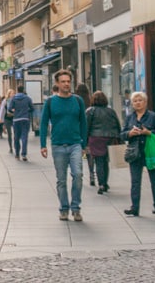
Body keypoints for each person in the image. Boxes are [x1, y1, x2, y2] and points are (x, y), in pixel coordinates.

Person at [40, 70, 88, 222]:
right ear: (57, 84)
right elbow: (43, 123)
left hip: (75, 144)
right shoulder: (50, 102)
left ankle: (76, 208)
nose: (66, 84)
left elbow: (84, 123)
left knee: (78, 175)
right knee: (61, 179)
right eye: (63, 82)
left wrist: (84, 144)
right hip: (58, 145)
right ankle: (64, 208)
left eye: (68, 81)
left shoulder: (78, 100)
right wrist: (43, 144)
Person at [121, 91, 155, 216]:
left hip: (150, 152)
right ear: (132, 104)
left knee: (154, 180)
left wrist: (148, 132)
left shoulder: (153, 116)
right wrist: (130, 133)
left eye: (140, 100)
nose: (137, 103)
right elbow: (122, 134)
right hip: (135, 153)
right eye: (135, 101)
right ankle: (135, 207)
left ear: (145, 102)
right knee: (135, 181)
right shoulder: (130, 117)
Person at [86, 90, 121, 195]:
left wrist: (85, 140)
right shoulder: (111, 111)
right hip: (109, 138)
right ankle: (105, 182)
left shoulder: (90, 111)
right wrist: (119, 138)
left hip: (95, 138)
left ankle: (101, 183)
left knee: (99, 161)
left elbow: (86, 126)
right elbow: (117, 124)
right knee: (106, 161)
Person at [74, 83, 95, 185]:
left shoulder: (76, 101)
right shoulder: (90, 100)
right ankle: (92, 175)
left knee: (79, 153)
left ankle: (80, 173)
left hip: (78, 131)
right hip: (89, 131)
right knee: (89, 153)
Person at [8, 85, 34, 161]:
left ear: (17, 90)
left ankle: (17, 154)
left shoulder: (13, 98)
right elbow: (32, 108)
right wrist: (27, 111)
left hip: (16, 119)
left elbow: (9, 109)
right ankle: (24, 154)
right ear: (23, 90)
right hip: (25, 119)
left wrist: (15, 111)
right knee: (24, 137)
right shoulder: (28, 98)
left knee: (16, 137)